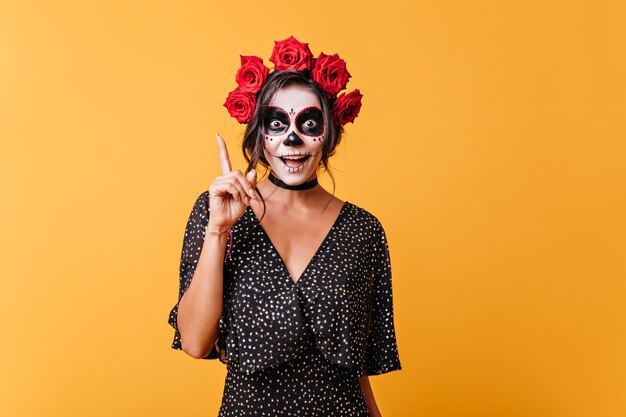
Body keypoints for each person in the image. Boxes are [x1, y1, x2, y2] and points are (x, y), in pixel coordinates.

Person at [167, 36, 401, 417]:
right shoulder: (217, 213)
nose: (291, 140)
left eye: (308, 123)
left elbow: (355, 368)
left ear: (330, 133)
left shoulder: (363, 231)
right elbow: (194, 342)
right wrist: (217, 231)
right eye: (277, 123)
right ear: (259, 132)